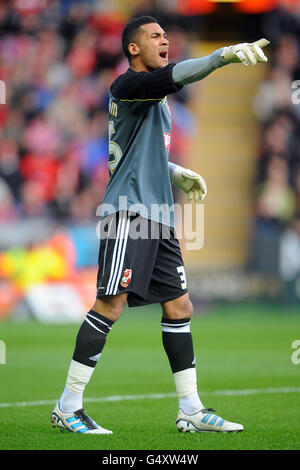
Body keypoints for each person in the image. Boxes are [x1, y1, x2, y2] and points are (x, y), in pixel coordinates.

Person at [51, 16, 269, 435]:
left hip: (159, 216)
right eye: (155, 36)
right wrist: (222, 56)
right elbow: (177, 75)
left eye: (166, 35)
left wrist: (174, 171)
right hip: (129, 213)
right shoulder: (129, 86)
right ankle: (67, 406)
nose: (165, 39)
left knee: (180, 306)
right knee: (111, 305)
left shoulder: (153, 100)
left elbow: (135, 153)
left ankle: (190, 408)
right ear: (133, 48)